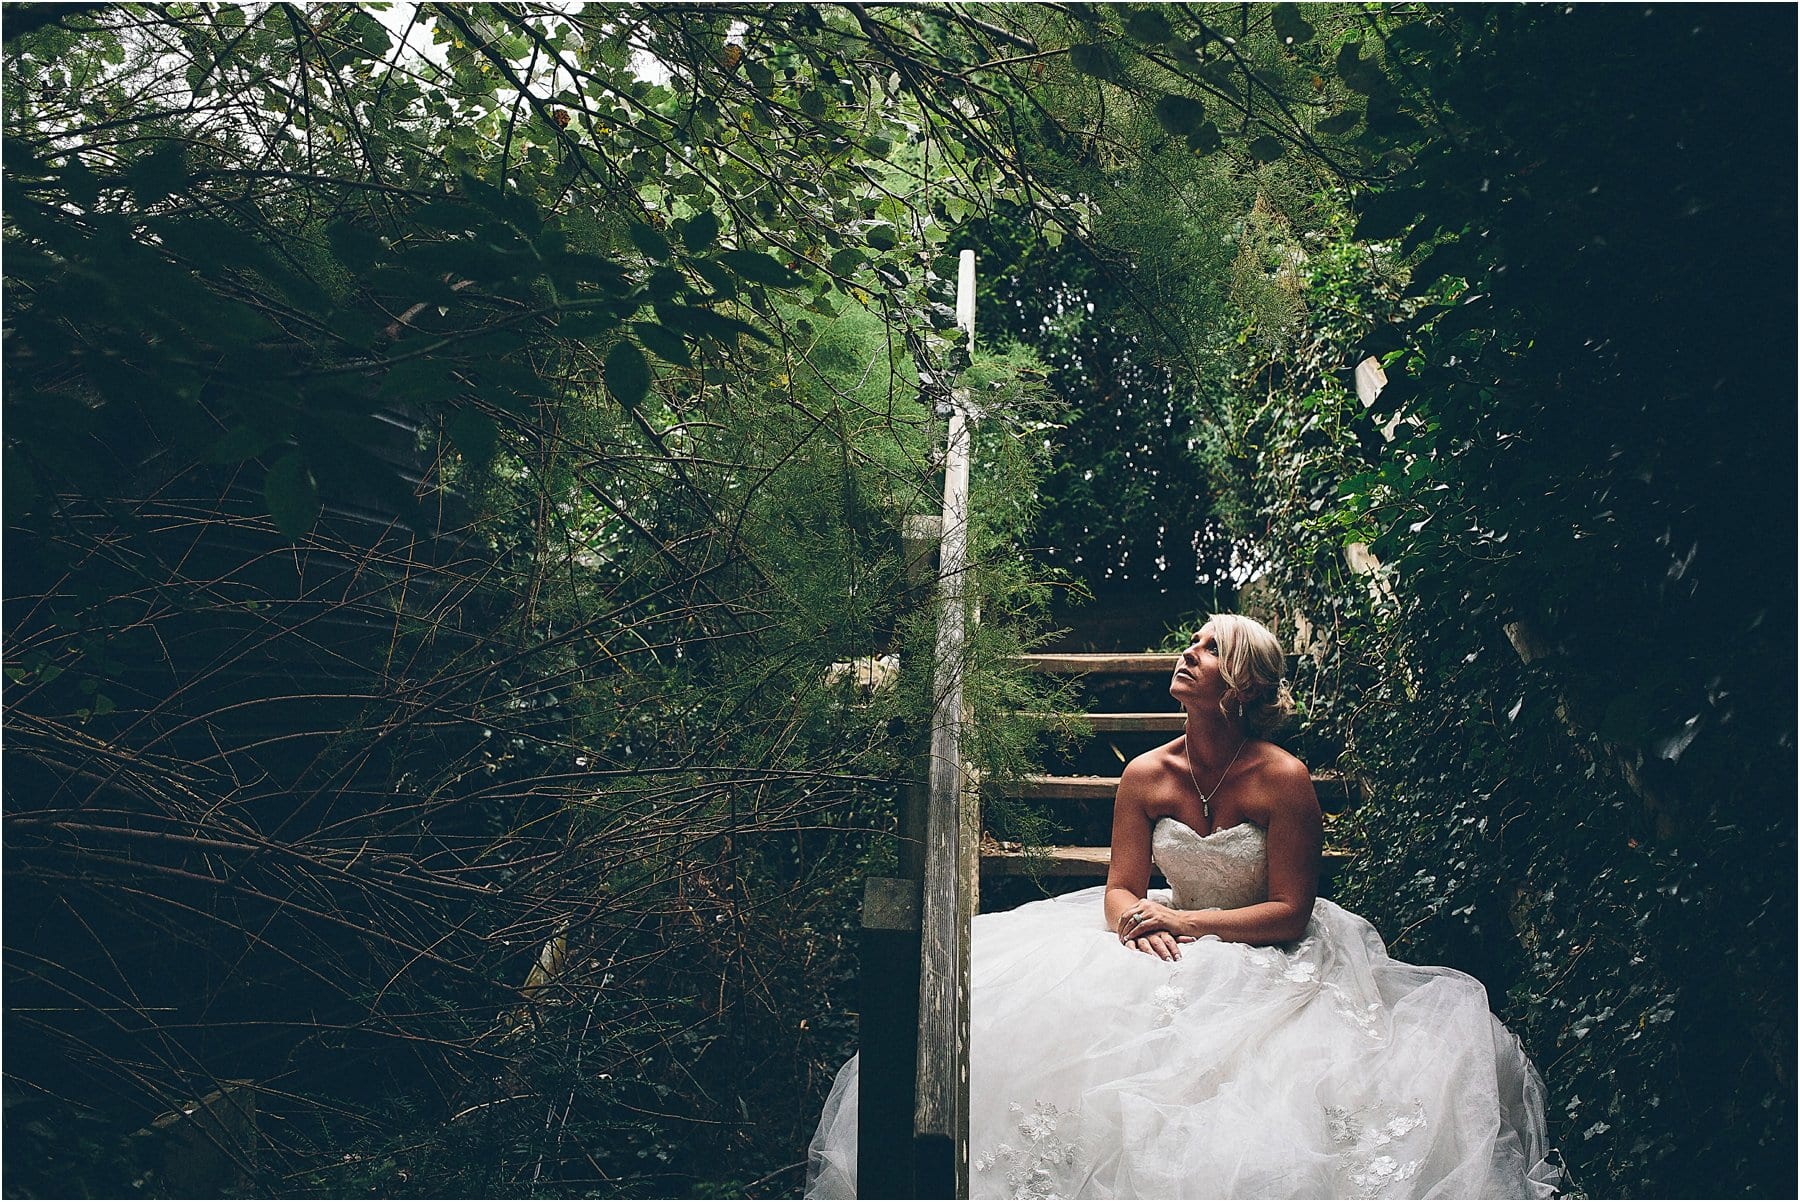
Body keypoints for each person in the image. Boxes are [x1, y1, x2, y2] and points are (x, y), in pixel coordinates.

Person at [806, 614, 1559, 1199]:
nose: (1185, 655)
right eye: (1190, 644)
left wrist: (1187, 923)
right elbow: (1120, 888)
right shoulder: (1144, 773)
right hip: (1164, 930)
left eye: (1205, 649)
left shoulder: (1285, 778)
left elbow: (1293, 911)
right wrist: (1137, 922)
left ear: (1239, 682)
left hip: (1267, 947)